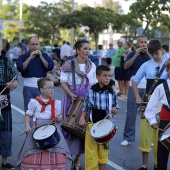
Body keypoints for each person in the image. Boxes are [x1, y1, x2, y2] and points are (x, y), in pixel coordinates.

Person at [16, 78, 72, 170]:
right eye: (49, 87)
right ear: (41, 90)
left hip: (53, 128)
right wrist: (27, 125)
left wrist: (58, 118)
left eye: (53, 87)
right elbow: (28, 115)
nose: (52, 90)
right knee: (34, 148)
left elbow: (60, 119)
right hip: (38, 128)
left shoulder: (57, 103)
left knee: (56, 148)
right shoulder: (34, 102)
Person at [60, 38, 97, 169]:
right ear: (78, 50)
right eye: (85, 49)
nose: (87, 51)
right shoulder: (69, 64)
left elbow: (93, 84)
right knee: (69, 126)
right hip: (71, 97)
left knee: (82, 128)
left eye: (89, 49)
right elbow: (63, 82)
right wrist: (70, 94)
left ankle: (77, 158)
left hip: (86, 98)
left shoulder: (92, 65)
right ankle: (67, 157)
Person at [132, 39, 168, 170]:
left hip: (164, 101)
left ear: (161, 50)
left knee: (161, 133)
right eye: (152, 54)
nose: (154, 56)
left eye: (157, 53)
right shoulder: (147, 65)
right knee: (145, 133)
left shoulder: (167, 64)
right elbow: (134, 81)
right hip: (150, 100)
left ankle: (157, 163)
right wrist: (137, 97)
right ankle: (144, 164)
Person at [79, 65, 119, 170]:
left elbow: (116, 108)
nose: (107, 78)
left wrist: (115, 111)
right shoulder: (91, 91)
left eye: (109, 76)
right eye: (104, 75)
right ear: (97, 77)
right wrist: (82, 118)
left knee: (103, 152)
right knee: (91, 152)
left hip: (106, 126)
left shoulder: (112, 92)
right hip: (92, 125)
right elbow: (86, 108)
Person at [16, 36, 54, 126]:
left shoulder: (44, 55)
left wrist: (41, 57)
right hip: (28, 86)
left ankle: (40, 135)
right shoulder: (23, 56)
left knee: (43, 111)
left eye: (37, 44)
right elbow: (20, 68)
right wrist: (29, 58)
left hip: (42, 87)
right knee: (29, 111)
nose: (35, 46)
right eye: (32, 44)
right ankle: (29, 134)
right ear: (28, 45)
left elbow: (50, 67)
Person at [121, 35, 151, 146]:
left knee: (148, 113)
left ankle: (148, 137)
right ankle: (128, 138)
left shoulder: (150, 55)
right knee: (131, 113)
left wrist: (148, 53)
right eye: (141, 42)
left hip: (148, 86)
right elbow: (126, 66)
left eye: (145, 42)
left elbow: (157, 65)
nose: (143, 44)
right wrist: (136, 54)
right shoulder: (132, 54)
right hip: (134, 86)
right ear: (137, 44)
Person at [144, 58, 170, 170]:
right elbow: (150, 107)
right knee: (163, 152)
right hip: (165, 121)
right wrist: (153, 121)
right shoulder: (161, 87)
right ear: (168, 70)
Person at [0, 38, 19, 169]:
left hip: (4, 97)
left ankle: (5, 161)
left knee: (5, 130)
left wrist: (14, 84)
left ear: (2, 47)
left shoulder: (7, 61)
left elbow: (16, 78)